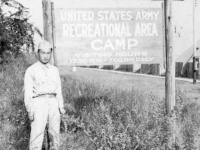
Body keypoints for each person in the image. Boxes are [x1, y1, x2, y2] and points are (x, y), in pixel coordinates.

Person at [24, 40, 66, 150]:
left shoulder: (54, 70)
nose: (45, 56)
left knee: (54, 136)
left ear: (51, 53)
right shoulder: (31, 70)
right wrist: (30, 110)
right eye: (43, 53)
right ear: (38, 53)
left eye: (48, 53)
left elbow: (58, 90)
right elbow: (28, 93)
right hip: (38, 103)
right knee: (37, 136)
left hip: (53, 103)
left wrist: (61, 106)